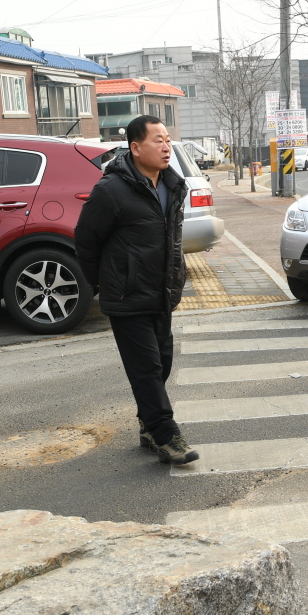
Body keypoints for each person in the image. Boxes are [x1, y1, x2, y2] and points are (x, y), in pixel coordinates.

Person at [75, 114, 198, 465]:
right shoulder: (111, 190)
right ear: (135, 147)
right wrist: (106, 283)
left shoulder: (173, 185)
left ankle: (148, 425)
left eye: (167, 139)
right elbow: (85, 242)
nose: (166, 145)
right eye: (157, 139)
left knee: (161, 364)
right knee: (145, 368)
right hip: (128, 297)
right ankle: (166, 435)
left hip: (161, 293)